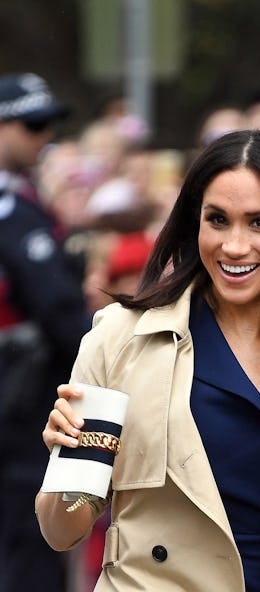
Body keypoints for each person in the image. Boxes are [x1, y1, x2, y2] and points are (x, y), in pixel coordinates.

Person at [36, 129, 260, 592]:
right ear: (195, 223)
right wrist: (75, 470)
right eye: (218, 220)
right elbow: (62, 530)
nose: (234, 246)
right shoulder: (120, 339)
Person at [0, 72, 89, 592]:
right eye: (32, 125)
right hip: (23, 403)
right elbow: (58, 313)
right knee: (31, 544)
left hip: (25, 397)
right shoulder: (14, 215)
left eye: (48, 126)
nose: (43, 137)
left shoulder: (25, 204)